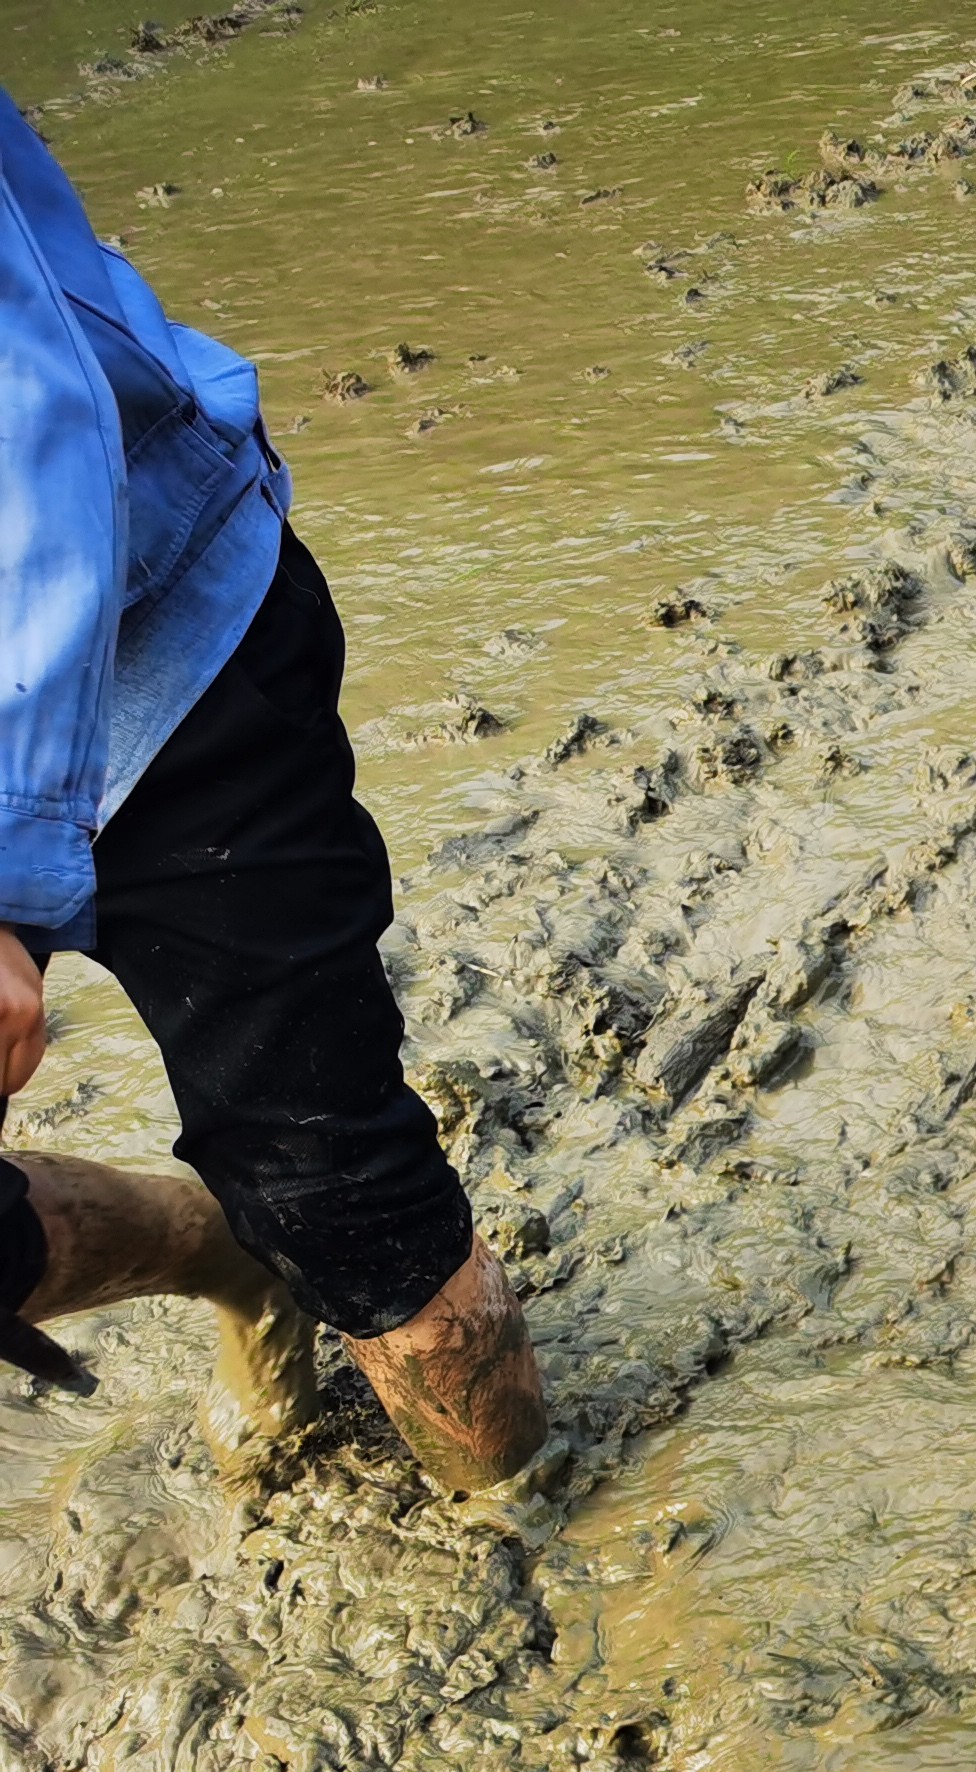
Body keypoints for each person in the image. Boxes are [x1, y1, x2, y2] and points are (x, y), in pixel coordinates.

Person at [1, 88, 544, 1493]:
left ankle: (516, 1510)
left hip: (146, 646)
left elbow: (22, 415)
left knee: (340, 1186)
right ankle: (237, 1263)